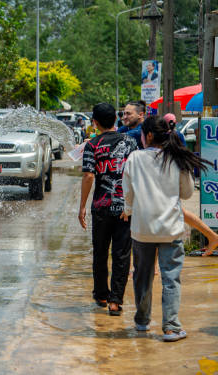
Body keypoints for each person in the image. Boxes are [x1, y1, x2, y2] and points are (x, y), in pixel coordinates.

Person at [122, 115, 218, 341]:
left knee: (142, 277)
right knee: (170, 278)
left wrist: (129, 211)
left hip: (142, 229)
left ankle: (141, 322)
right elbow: (186, 193)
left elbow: (128, 194)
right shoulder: (176, 158)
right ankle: (171, 328)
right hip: (171, 228)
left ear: (148, 135)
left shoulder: (134, 158)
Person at [79, 102, 138, 315]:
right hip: (125, 208)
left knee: (100, 252)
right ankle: (115, 301)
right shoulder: (131, 142)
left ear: (95, 123)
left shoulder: (92, 145)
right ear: (116, 119)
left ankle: (102, 295)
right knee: (122, 254)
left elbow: (88, 176)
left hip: (101, 207)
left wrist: (82, 207)